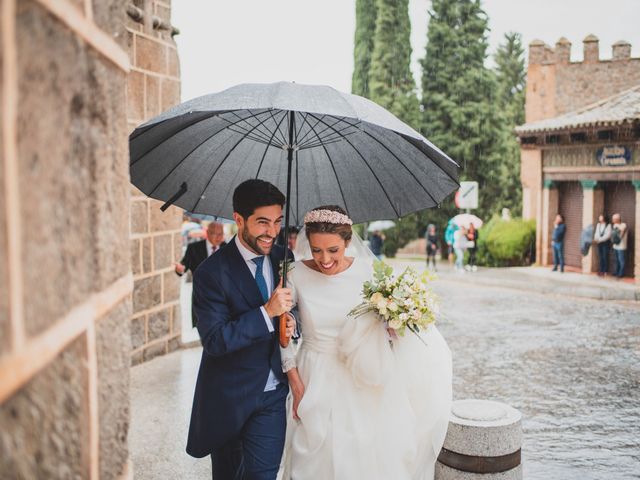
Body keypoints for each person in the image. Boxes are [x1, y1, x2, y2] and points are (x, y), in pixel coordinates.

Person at [279, 206, 452, 480]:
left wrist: (394, 324)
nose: (324, 259)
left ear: (348, 242)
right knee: (312, 457)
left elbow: (385, 326)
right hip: (314, 373)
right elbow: (281, 337)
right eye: (316, 250)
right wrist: (296, 384)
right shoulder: (293, 274)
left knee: (363, 453)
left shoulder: (369, 273)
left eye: (333, 250)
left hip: (361, 374)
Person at [186, 179, 296, 480]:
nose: (272, 232)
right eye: (262, 222)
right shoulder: (211, 273)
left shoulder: (283, 258)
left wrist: (291, 322)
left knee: (263, 476)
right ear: (238, 220)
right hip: (229, 398)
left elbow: (294, 310)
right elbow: (215, 340)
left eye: (277, 222)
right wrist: (266, 313)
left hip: (272, 394)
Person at [174, 222, 226, 326]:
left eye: (221, 234)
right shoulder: (194, 248)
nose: (218, 237)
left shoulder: (228, 248)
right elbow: (183, 267)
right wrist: (180, 269)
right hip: (202, 301)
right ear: (207, 233)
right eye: (215, 234)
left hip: (223, 303)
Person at [611, 213, 628, 278]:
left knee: (621, 260)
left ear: (618, 219)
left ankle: (621, 273)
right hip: (615, 246)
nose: (612, 220)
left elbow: (622, 230)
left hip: (622, 246)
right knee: (616, 260)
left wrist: (617, 227)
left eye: (614, 219)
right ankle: (616, 272)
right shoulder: (614, 225)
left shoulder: (623, 225)